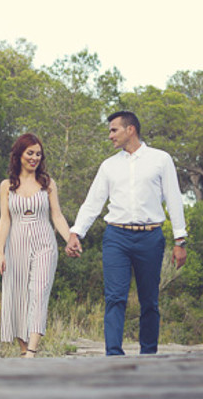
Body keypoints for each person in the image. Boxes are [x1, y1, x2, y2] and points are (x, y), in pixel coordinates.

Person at [65, 111, 187, 356]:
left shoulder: (161, 160)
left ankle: (149, 356)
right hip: (116, 238)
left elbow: (174, 198)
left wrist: (180, 239)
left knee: (149, 301)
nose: (110, 136)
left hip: (150, 237)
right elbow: (93, 202)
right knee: (115, 297)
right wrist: (76, 233)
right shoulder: (109, 166)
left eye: (114, 130)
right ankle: (113, 356)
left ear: (130, 129)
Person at [0, 133, 75, 358]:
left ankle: (32, 350)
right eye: (30, 153)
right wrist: (0, 252)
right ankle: (23, 352)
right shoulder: (7, 185)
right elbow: (5, 219)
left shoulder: (47, 183)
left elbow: (57, 216)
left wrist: (70, 238)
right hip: (16, 243)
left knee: (39, 292)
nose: (34, 158)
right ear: (19, 154)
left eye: (38, 154)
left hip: (44, 242)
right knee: (18, 294)